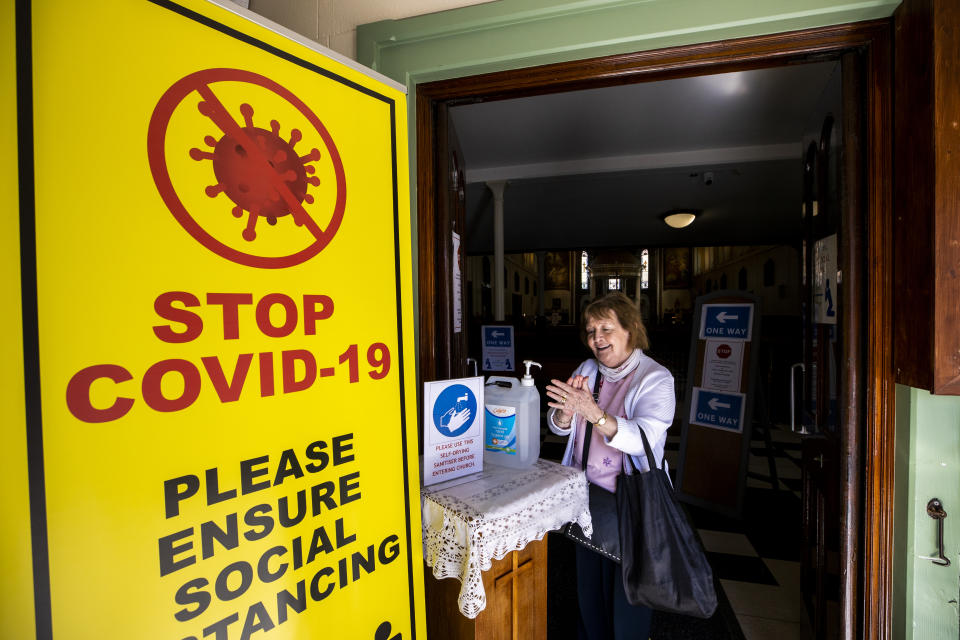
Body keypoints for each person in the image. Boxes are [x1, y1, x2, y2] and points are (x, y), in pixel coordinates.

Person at [545, 293, 675, 640]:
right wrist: (564, 414)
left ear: (631, 330)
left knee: (628, 593)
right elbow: (559, 426)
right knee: (589, 589)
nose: (596, 338)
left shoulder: (656, 378)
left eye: (606, 328)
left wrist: (594, 413)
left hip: (631, 501)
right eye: (590, 330)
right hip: (585, 496)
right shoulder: (587, 370)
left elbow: (644, 439)